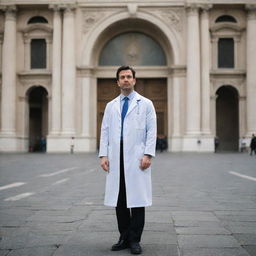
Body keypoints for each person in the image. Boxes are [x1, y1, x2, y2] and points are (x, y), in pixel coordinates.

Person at [99, 66, 157, 255]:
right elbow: (105, 131)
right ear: (117, 82)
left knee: (137, 201)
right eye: (122, 77)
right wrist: (103, 155)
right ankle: (124, 237)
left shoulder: (146, 103)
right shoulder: (110, 105)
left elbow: (151, 131)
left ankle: (135, 240)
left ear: (134, 80)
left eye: (129, 77)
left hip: (137, 158)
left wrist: (148, 154)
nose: (125, 79)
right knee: (120, 199)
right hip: (116, 157)